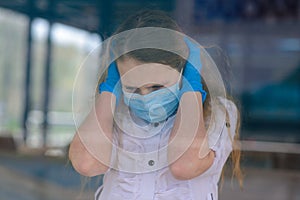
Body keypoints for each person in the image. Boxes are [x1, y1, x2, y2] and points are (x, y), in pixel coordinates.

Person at [69, 10, 242, 200]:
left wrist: (191, 88)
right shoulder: (113, 110)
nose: (145, 97)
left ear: (183, 70)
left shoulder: (218, 112)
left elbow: (185, 165)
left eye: (157, 87)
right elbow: (87, 163)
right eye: (132, 88)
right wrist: (109, 90)